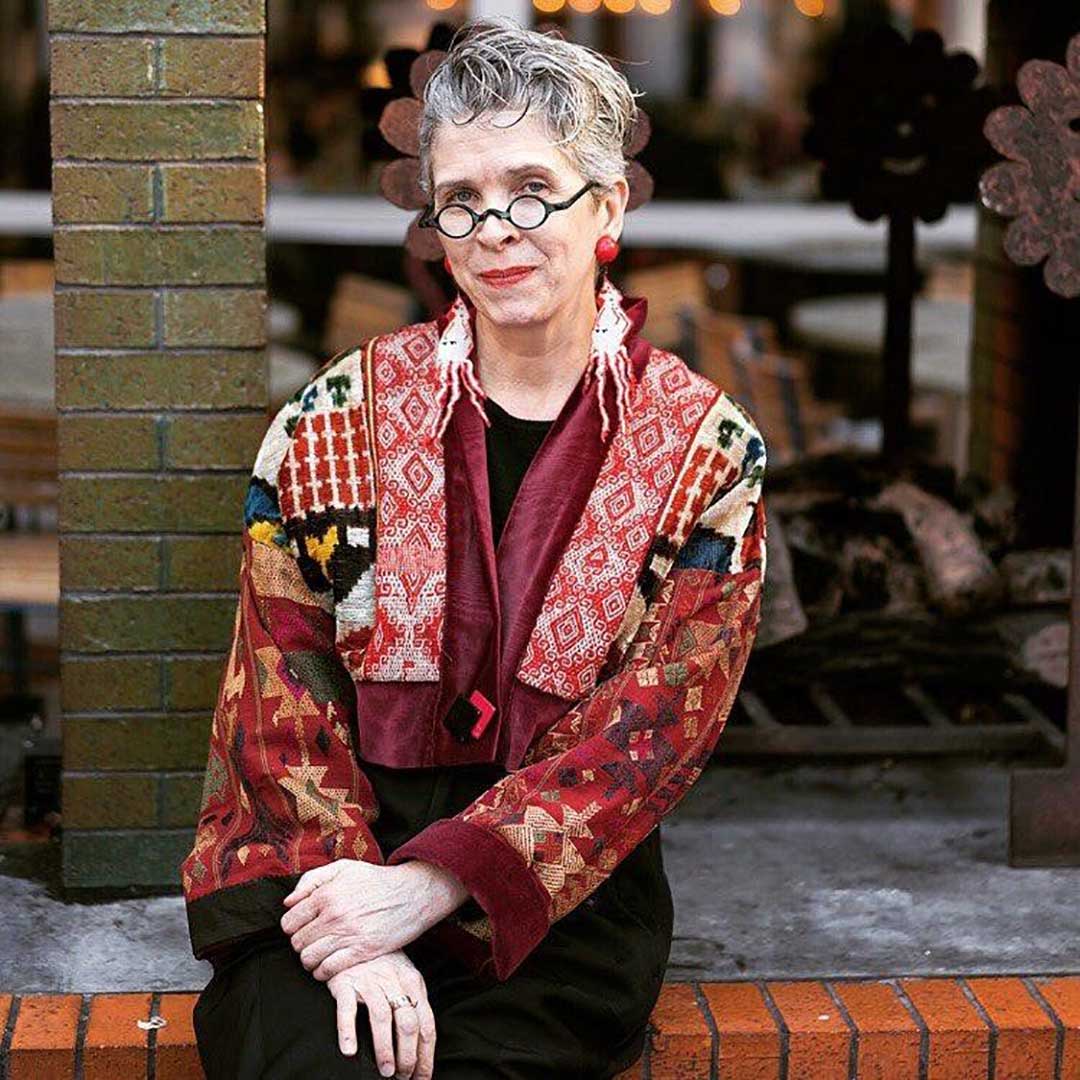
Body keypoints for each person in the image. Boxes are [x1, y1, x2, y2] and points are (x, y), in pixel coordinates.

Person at [181, 17, 768, 1080]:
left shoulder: (704, 455)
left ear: (609, 207)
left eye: (532, 188)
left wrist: (436, 885)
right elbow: (277, 699)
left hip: (551, 918)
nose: (498, 227)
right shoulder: (328, 423)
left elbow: (648, 741)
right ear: (437, 227)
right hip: (327, 883)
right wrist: (353, 921)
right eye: (462, 199)